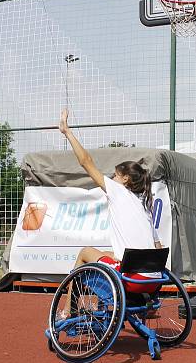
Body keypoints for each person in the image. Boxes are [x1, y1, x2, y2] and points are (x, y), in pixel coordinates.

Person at [58, 108, 162, 274]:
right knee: (108, 254)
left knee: (85, 252)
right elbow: (158, 247)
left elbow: (86, 161)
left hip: (132, 277)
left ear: (125, 179)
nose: (112, 178)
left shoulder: (118, 191)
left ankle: (69, 300)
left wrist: (67, 132)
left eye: (115, 175)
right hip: (153, 277)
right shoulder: (144, 208)